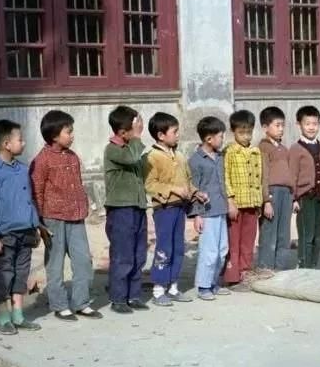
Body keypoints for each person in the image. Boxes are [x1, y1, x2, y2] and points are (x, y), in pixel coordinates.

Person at [30, 110, 99, 321]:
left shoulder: (72, 157)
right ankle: (59, 305)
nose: (72, 135)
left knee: (83, 261)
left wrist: (85, 204)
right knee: (55, 264)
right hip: (53, 219)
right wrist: (39, 222)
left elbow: (78, 184)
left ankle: (81, 302)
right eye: (68, 132)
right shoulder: (41, 161)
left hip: (76, 217)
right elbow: (36, 192)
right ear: (54, 135)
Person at [0, 119, 42, 335]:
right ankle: (4, 317)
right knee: (3, 274)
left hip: (26, 232)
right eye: (20, 139)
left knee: (21, 274)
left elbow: (29, 200)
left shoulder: (22, 170)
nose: (23, 143)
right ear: (6, 144)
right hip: (4, 235)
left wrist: (35, 225)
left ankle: (18, 315)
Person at [144, 112, 208, 306]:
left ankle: (173, 287)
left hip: (180, 208)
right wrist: (173, 189)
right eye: (175, 131)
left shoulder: (179, 155)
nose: (178, 135)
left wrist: (196, 193)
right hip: (164, 209)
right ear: (161, 135)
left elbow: (188, 181)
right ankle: (158, 289)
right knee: (164, 247)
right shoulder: (152, 157)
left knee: (178, 247)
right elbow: (150, 184)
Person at [103, 105, 150, 314]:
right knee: (123, 255)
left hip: (138, 207)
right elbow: (130, 158)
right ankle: (119, 298)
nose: (139, 130)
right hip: (121, 210)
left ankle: (134, 295)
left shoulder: (132, 148)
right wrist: (137, 137)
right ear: (123, 132)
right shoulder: (113, 149)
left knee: (139, 254)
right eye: (135, 127)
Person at [288, 106, 320, 269]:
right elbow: (292, 175)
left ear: (319, 124)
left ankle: (314, 266)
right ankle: (305, 266)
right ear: (299, 125)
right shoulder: (295, 149)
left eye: (315, 124)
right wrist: (293, 198)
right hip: (305, 198)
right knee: (306, 234)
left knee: (318, 234)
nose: (311, 127)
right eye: (307, 124)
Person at [188, 116, 232, 301]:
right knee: (209, 251)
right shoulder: (195, 161)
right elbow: (193, 189)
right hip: (207, 213)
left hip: (221, 210)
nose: (223, 139)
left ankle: (214, 283)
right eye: (220, 136)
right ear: (209, 139)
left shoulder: (220, 157)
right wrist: (197, 215)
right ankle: (203, 286)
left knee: (222, 250)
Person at [223, 110, 263, 291]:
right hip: (236, 205)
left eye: (249, 132)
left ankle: (245, 272)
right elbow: (225, 177)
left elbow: (259, 177)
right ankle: (232, 277)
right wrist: (230, 201)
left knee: (248, 240)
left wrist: (259, 201)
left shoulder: (256, 152)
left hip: (252, 203)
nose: (246, 136)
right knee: (234, 241)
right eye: (241, 132)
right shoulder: (229, 152)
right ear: (233, 131)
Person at [257, 106, 293, 272]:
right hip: (272, 193)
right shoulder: (263, 148)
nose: (281, 129)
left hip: (286, 193)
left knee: (284, 232)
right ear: (265, 127)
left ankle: (281, 267)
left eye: (282, 125)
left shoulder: (284, 149)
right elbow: (262, 175)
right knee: (269, 232)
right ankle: (266, 267)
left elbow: (290, 174)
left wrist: (294, 196)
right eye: (277, 125)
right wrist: (266, 200)